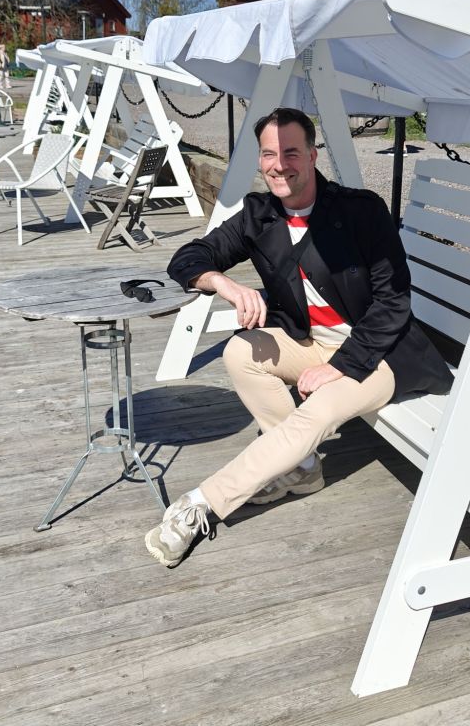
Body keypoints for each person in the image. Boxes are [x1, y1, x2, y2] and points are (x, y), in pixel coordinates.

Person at [144, 107, 451, 568]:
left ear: (311, 155)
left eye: (291, 152)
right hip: (311, 341)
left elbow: (393, 302)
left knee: (318, 411)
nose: (279, 165)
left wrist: (340, 367)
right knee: (240, 351)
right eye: (269, 154)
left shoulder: (360, 210)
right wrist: (224, 284)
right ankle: (303, 470)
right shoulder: (259, 214)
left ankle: (201, 505)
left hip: (379, 352)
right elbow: (190, 257)